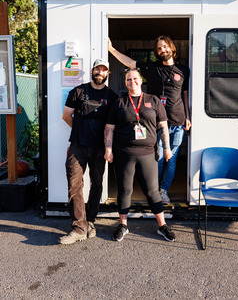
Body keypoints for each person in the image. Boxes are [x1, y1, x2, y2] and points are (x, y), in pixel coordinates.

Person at [108, 36, 191, 205]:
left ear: (172, 48)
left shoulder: (183, 70)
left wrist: (188, 116)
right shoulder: (152, 68)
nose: (163, 50)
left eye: (165, 47)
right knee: (158, 157)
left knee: (172, 159)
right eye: (159, 48)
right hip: (157, 123)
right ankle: (154, 192)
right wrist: (111, 49)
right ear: (156, 53)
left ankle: (163, 190)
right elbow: (130, 63)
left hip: (177, 123)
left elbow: (185, 95)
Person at [104, 68, 175, 242]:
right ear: (125, 82)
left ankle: (162, 226)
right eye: (128, 79)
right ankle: (123, 225)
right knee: (125, 190)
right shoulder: (120, 103)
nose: (132, 82)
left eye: (135, 78)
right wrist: (108, 149)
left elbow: (163, 126)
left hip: (148, 153)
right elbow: (109, 128)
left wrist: (167, 148)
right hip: (124, 153)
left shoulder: (153, 100)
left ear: (141, 80)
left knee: (152, 191)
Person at [59, 59, 118, 245]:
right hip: (78, 146)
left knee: (97, 183)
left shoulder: (112, 97)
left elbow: (111, 126)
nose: (100, 73)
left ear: (107, 74)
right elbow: (66, 115)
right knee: (74, 185)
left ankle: (90, 221)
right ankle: (79, 227)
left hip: (99, 148)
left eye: (103, 70)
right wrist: (78, 131)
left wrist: (108, 148)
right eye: (97, 69)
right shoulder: (78, 91)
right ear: (92, 71)